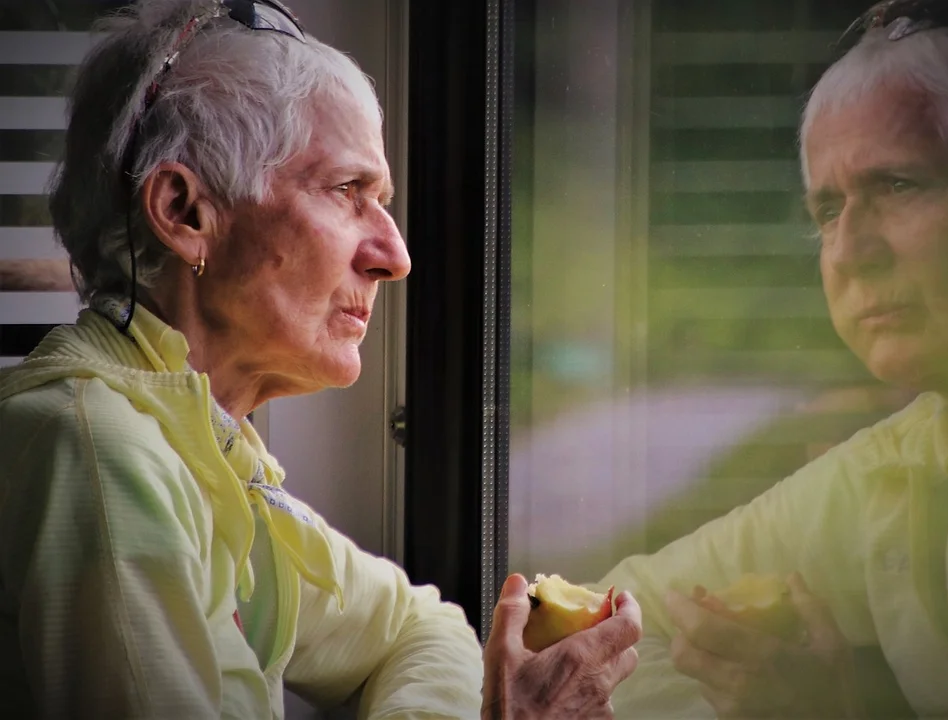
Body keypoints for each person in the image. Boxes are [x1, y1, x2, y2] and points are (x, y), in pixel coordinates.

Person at [0, 1, 641, 717]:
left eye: (382, 200)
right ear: (184, 213)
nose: (394, 256)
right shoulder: (99, 454)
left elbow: (419, 625)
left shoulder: (200, 440)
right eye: (346, 191)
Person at [590, 0, 948, 717]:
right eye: (827, 211)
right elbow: (599, 631)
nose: (850, 253)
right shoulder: (896, 468)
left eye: (899, 186)